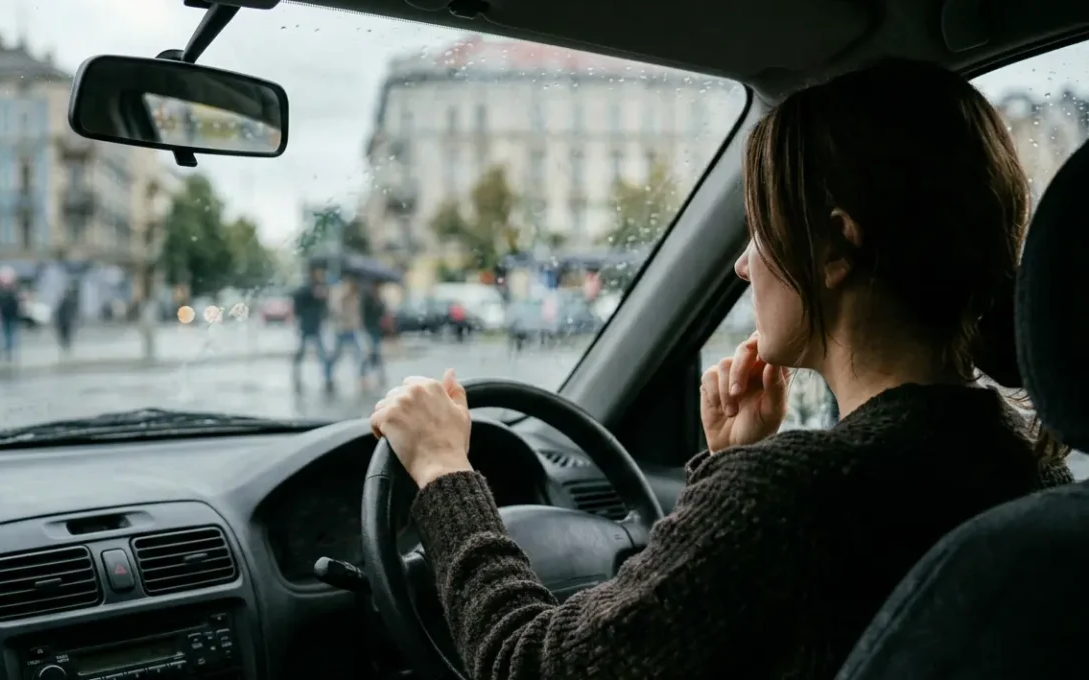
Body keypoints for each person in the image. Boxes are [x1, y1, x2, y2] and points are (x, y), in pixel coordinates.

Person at [368, 58, 1074, 680]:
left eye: (760, 229)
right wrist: (731, 467)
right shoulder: (1030, 471)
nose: (743, 263)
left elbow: (525, 663)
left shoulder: (793, 496)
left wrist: (442, 470)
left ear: (837, 250)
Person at [291, 267, 330, 390]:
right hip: (307, 325)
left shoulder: (320, 289)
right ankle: (297, 377)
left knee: (321, 353)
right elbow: (298, 305)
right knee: (303, 352)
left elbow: (323, 308)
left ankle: (328, 378)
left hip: (314, 326)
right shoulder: (306, 290)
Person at [325, 275, 365, 391]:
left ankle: (361, 377)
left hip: (352, 330)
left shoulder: (355, 297)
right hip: (342, 330)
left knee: (360, 355)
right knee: (335, 356)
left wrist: (359, 324)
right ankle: (328, 377)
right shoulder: (340, 296)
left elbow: (357, 314)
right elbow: (335, 310)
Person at [360, 282, 388, 390]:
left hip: (377, 330)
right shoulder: (367, 301)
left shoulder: (379, 301)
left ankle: (379, 375)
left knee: (376, 354)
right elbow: (364, 315)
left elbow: (382, 313)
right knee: (371, 353)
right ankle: (364, 374)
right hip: (369, 330)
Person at [55, 284, 80, 357]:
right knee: (63, 335)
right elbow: (59, 312)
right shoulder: (63, 302)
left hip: (66, 321)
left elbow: (72, 312)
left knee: (66, 335)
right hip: (63, 321)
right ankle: (65, 346)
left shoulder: (69, 302)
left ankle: (66, 346)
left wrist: (73, 319)